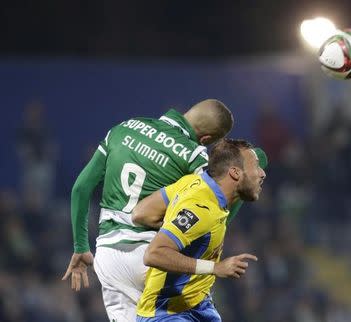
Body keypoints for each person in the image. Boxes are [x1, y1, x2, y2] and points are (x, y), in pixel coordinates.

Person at [62, 99, 234, 322]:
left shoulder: (123, 128)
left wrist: (80, 246)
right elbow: (211, 206)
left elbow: (80, 188)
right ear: (207, 139)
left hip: (108, 256)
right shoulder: (195, 156)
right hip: (151, 258)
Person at [134, 138, 266, 321]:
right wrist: (215, 267)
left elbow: (141, 213)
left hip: (198, 305)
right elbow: (153, 254)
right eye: (256, 166)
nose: (262, 173)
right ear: (235, 173)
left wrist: (177, 226)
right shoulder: (201, 208)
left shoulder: (194, 183)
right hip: (165, 313)